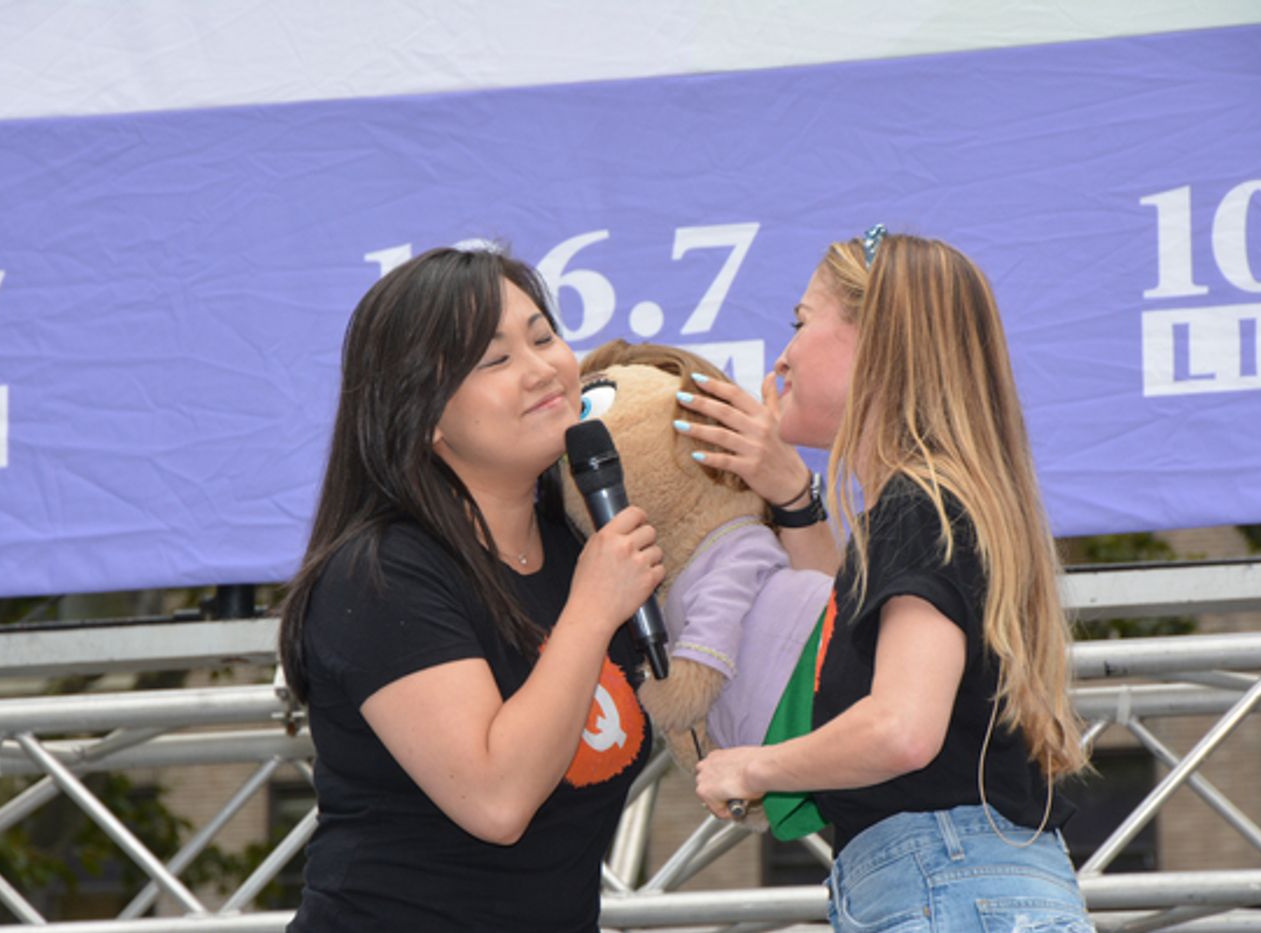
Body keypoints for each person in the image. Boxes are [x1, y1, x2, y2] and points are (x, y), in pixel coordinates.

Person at [680, 227, 1094, 930]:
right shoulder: (937, 507)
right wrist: (792, 495)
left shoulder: (917, 506)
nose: (782, 356)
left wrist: (753, 767)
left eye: (800, 322)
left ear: (875, 343)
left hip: (943, 886)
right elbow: (837, 643)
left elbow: (901, 727)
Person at [278, 247, 665, 931]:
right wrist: (592, 609)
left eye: (543, 336)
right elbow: (495, 800)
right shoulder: (382, 573)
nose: (543, 367)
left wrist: (789, 501)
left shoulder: (583, 543)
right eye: (496, 360)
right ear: (423, 413)